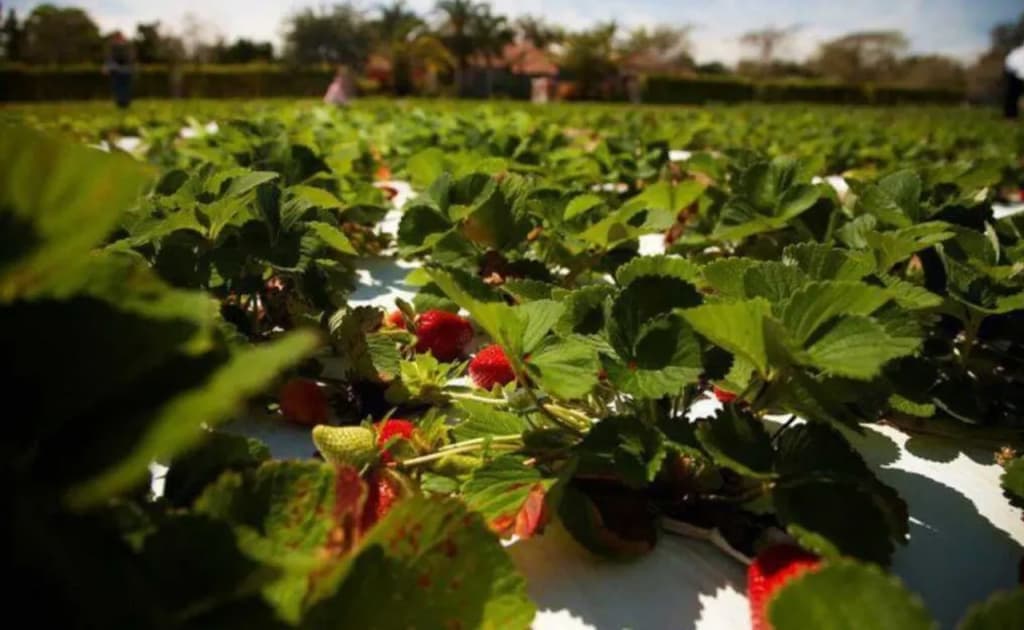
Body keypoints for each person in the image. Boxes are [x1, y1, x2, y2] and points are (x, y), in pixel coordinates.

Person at [104, 32, 135, 109]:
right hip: (117, 71)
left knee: (126, 88)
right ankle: (120, 103)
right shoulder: (113, 48)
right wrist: (108, 66)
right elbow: (110, 58)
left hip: (126, 71)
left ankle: (125, 103)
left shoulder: (128, 47)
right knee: (118, 88)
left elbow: (131, 59)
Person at [1006, 43, 1024, 120]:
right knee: (1012, 96)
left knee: (1012, 96)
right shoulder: (1017, 54)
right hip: (1016, 75)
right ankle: (1010, 116)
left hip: (1016, 74)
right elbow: (1010, 63)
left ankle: (1010, 116)